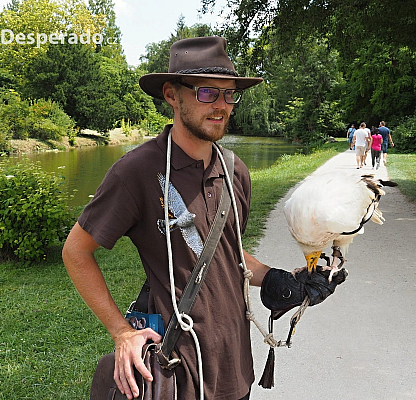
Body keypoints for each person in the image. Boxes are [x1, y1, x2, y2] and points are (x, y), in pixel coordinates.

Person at [62, 36, 343, 400]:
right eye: (208, 93)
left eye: (229, 95)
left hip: (235, 368)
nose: (222, 106)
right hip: (177, 372)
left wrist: (280, 280)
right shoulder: (137, 172)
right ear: (171, 94)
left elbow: (231, 256)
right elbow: (75, 252)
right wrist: (121, 332)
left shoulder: (235, 171)